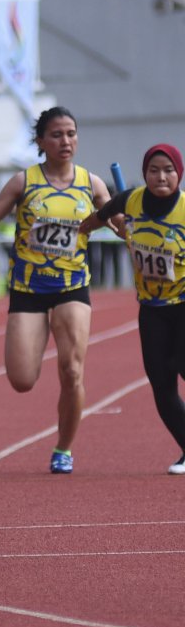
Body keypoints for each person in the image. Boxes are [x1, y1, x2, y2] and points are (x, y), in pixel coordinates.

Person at [0, 106, 114, 474]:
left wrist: (130, 219)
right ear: (42, 142)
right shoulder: (23, 182)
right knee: (22, 380)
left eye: (72, 134)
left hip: (72, 286)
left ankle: (64, 447)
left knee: (72, 370)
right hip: (28, 288)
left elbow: (122, 227)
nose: (66, 141)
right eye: (58, 134)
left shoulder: (91, 184)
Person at [80, 144, 185, 474]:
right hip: (151, 308)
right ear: (145, 174)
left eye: (168, 169)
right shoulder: (130, 201)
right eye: (154, 170)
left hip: (183, 304)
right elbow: (95, 219)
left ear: (179, 173)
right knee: (161, 382)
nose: (161, 176)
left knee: (181, 364)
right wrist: (87, 231)